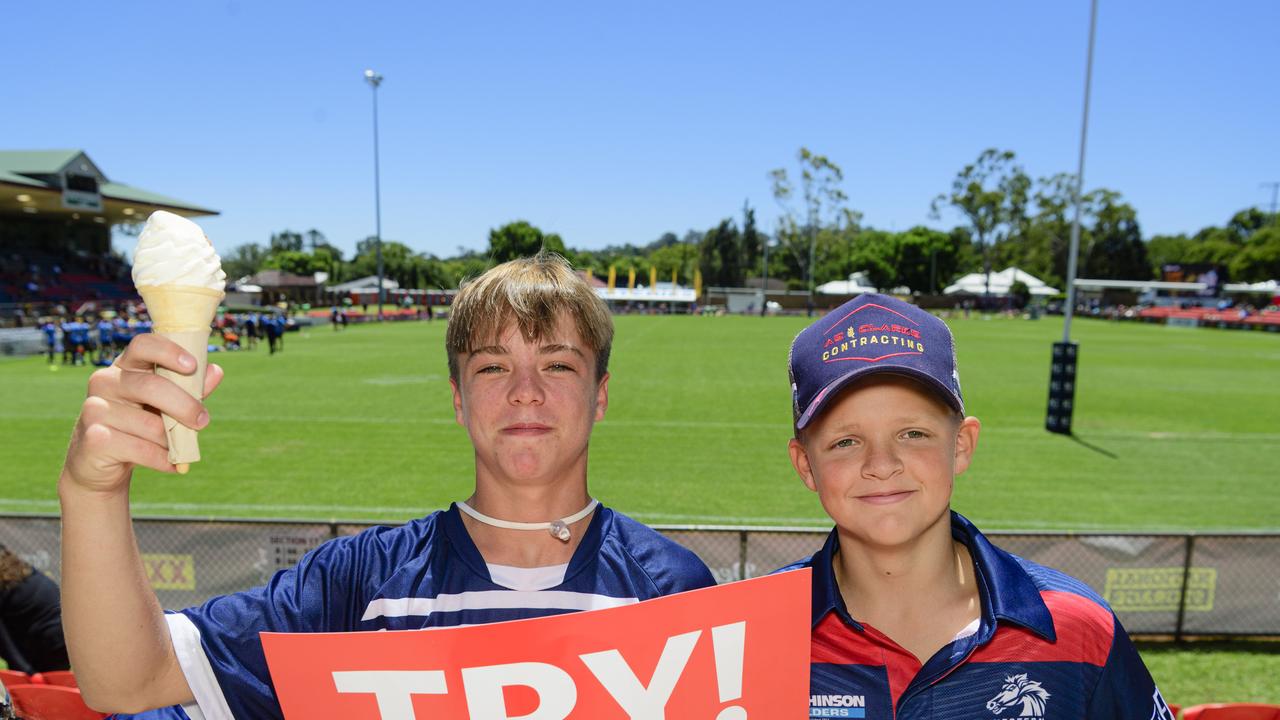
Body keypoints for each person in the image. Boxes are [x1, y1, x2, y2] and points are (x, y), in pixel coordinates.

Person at [58, 252, 715, 718]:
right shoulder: (356, 584)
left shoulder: (675, 591)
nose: (525, 392)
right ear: (459, 400)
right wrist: (93, 493)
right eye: (492, 367)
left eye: (558, 364)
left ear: (599, 397)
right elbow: (128, 681)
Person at [779, 294, 1173, 719]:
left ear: (962, 445)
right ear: (806, 465)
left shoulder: (1078, 627)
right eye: (845, 442)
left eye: (913, 434)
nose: (882, 465)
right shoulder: (752, 632)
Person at [0, 545, 70, 675]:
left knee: (34, 692)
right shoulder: (22, 571)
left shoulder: (6, 583)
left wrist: (27, 672)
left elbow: (3, 638)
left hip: (47, 641)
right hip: (64, 638)